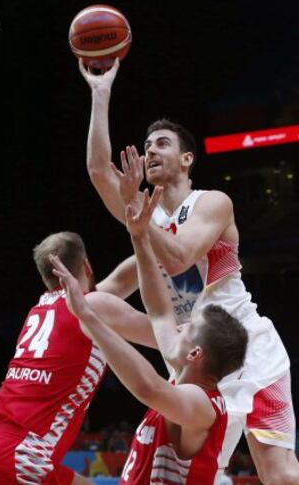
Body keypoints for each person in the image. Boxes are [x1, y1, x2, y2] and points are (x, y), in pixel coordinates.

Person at [79, 58, 299, 485]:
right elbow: (96, 172)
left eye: (161, 143)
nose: (150, 150)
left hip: (246, 349)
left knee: (278, 474)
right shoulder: (147, 222)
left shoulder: (212, 203)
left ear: (186, 159)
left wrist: (138, 226)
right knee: (93, 303)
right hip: (191, 351)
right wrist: (100, 93)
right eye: (146, 145)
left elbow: (179, 257)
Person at [49, 187, 248, 484]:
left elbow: (148, 388)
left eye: (187, 328)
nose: (178, 326)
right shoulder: (184, 379)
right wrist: (139, 235)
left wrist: (93, 320)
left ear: (195, 354)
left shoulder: (202, 405)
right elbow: (159, 310)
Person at [0, 231, 156, 485]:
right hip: (15, 455)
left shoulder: (41, 307)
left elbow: (118, 282)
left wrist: (161, 246)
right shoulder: (94, 306)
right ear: (86, 266)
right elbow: (167, 339)